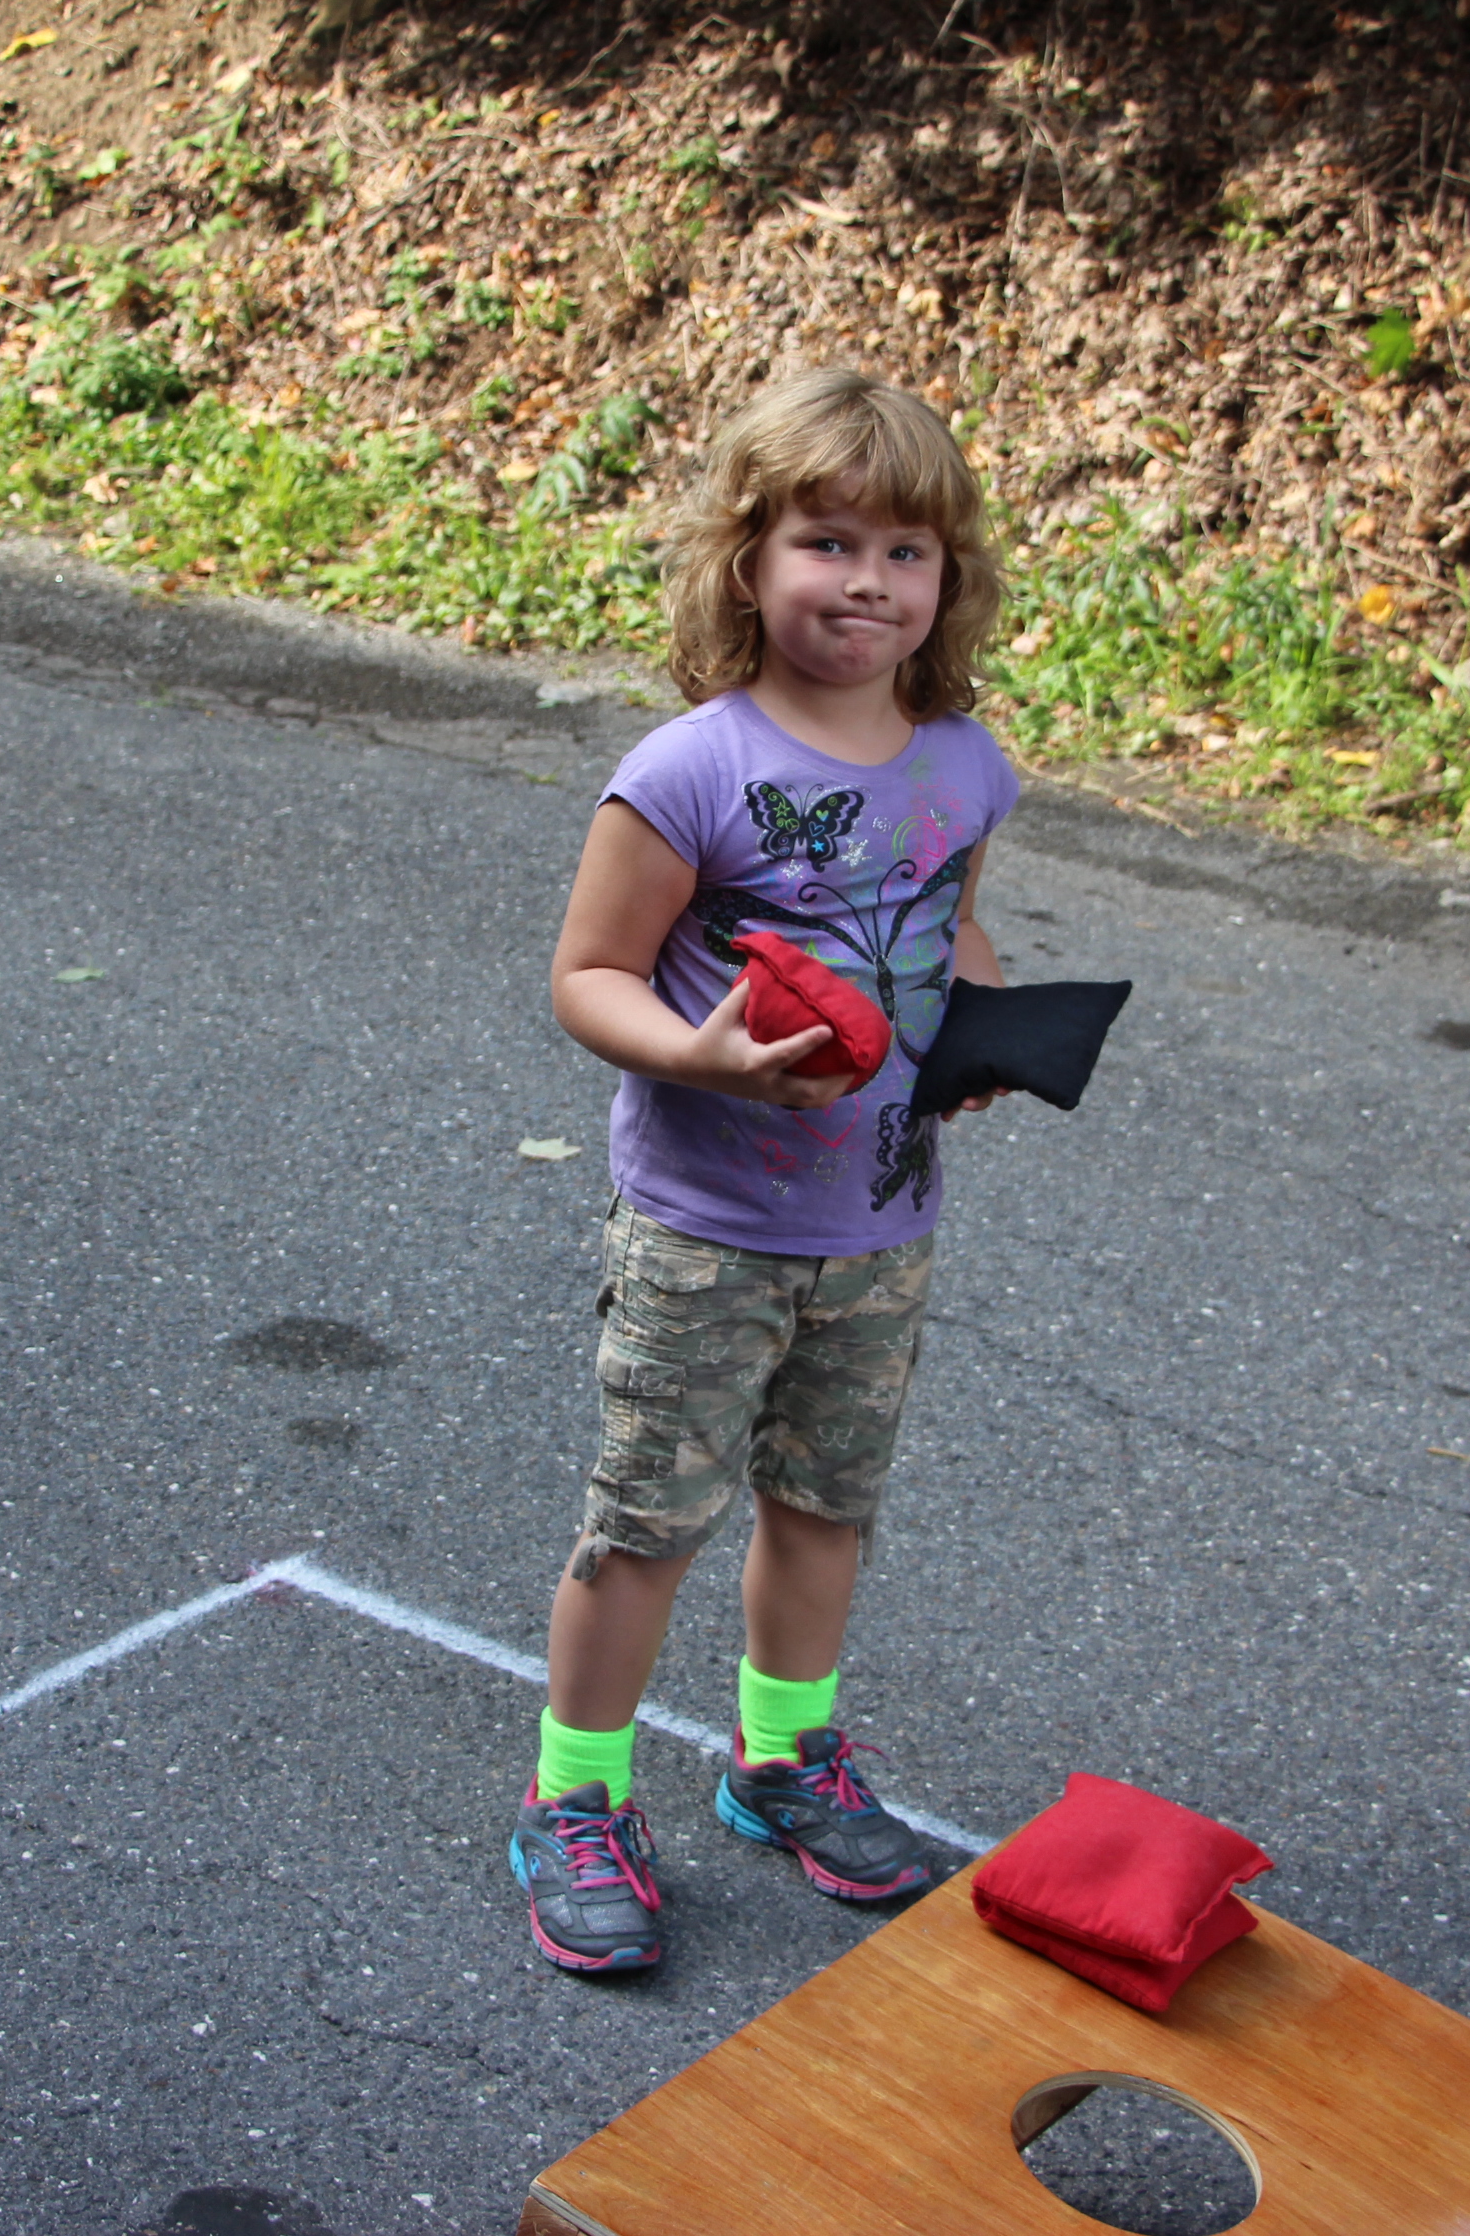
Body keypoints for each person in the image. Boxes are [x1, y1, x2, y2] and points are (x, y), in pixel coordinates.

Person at [511, 367, 1019, 1975]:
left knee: (822, 1508)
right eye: (827, 543)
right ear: (747, 560)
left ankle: (781, 1761)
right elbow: (589, 975)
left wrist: (988, 1028)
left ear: (946, 579)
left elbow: (953, 928)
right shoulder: (689, 770)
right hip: (706, 1232)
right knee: (647, 1526)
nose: (867, 583)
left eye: (904, 553)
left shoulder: (963, 765)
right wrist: (702, 1054)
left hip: (880, 1225)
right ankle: (573, 1798)